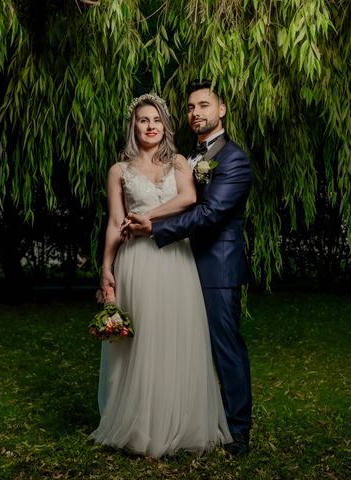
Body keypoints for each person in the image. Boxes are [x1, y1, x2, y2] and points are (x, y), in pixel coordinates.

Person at [90, 93, 232, 458]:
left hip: (174, 259)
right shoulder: (118, 171)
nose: (151, 126)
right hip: (135, 260)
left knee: (176, 335)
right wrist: (106, 269)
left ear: (165, 125)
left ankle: (181, 421)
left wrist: (148, 219)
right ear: (133, 127)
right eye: (143, 120)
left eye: (156, 119)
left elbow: (188, 199)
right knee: (141, 341)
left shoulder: (181, 163)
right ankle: (140, 425)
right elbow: (113, 222)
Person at [125, 80, 253, 456]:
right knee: (185, 347)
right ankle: (187, 419)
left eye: (204, 105)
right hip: (182, 266)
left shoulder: (233, 159)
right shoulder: (190, 158)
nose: (196, 112)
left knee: (224, 347)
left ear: (222, 109)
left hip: (217, 268)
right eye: (191, 107)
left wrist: (155, 226)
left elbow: (211, 213)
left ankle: (237, 431)